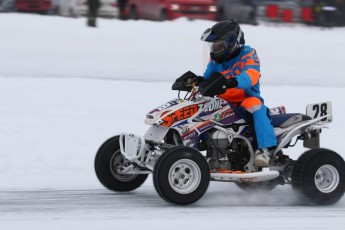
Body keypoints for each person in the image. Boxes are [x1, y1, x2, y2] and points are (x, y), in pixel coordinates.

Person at [199, 20, 277, 167]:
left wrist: (234, 81)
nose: (215, 49)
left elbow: (251, 75)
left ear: (232, 43)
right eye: (213, 46)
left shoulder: (248, 54)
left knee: (256, 107)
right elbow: (208, 77)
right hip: (223, 101)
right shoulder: (216, 59)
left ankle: (265, 150)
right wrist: (198, 81)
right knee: (200, 110)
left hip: (245, 99)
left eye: (219, 45)